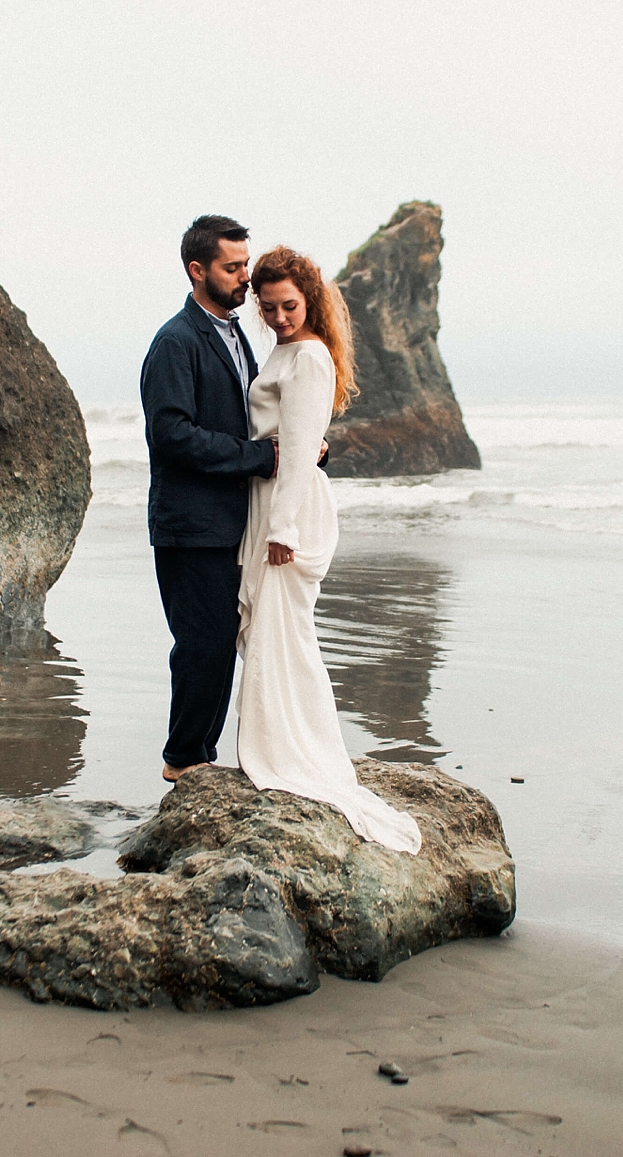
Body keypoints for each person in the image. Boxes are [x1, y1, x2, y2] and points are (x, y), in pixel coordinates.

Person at [235, 247, 422, 853]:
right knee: (273, 633)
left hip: (288, 513)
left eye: (290, 305)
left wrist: (283, 530)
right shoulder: (283, 350)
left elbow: (298, 453)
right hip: (269, 504)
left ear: (309, 298)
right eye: (270, 308)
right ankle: (278, 742)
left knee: (285, 635)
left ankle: (299, 751)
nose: (281, 316)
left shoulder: (310, 358)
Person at [141, 216, 275, 782]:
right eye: (233, 266)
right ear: (198, 271)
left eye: (246, 263)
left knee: (219, 642)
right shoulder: (175, 341)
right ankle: (183, 760)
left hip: (229, 522)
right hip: (190, 525)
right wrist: (259, 458)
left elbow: (249, 414)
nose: (247, 276)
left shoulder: (234, 331)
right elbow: (171, 435)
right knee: (202, 644)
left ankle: (198, 755)